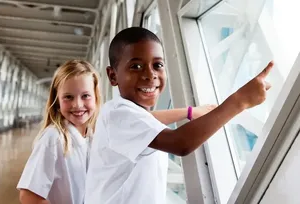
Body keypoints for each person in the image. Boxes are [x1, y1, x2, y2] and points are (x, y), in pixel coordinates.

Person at [84, 27, 274, 204]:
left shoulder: (122, 114)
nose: (150, 75)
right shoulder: (118, 114)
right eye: (136, 67)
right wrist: (239, 101)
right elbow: (180, 143)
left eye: (157, 65)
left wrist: (189, 112)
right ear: (113, 76)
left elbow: (148, 121)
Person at [16, 59, 214, 204]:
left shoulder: (94, 132)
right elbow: (28, 195)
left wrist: (189, 112)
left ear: (96, 97)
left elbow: (141, 122)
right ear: (57, 101)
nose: (78, 105)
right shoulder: (54, 138)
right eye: (68, 97)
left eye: (85, 96)